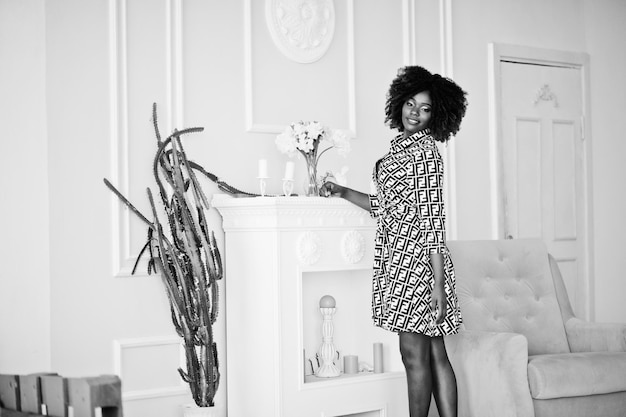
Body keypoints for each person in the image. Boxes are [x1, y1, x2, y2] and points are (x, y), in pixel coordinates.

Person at [319, 65, 467, 417]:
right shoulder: (400, 148)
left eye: (425, 108)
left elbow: (433, 219)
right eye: (411, 104)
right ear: (400, 102)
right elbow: (385, 207)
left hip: (417, 264)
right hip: (399, 259)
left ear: (437, 115)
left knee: (415, 355)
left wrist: (439, 284)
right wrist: (342, 191)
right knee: (433, 353)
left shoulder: (425, 153)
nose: (415, 112)